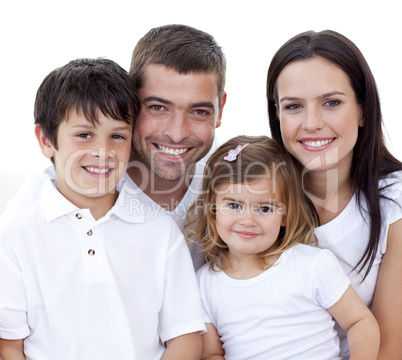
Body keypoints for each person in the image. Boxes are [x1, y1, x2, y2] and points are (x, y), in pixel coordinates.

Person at [0, 58, 205, 360]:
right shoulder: (17, 234)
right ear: (46, 140)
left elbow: (185, 338)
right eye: (84, 135)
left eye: (117, 136)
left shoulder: (161, 233)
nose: (103, 152)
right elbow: (9, 345)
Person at [1, 24, 226, 271]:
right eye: (157, 107)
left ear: (220, 108)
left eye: (199, 111)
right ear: (129, 102)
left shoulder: (233, 180)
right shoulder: (52, 195)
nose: (176, 133)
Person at [266, 30, 402, 359]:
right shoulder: (257, 197)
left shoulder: (394, 200)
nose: (312, 123)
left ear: (363, 111)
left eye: (331, 103)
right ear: (278, 115)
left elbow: (390, 346)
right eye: (294, 106)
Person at [188, 135, 379, 360]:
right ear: (212, 211)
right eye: (233, 205)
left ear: (285, 215)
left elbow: (360, 322)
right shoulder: (203, 284)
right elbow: (211, 353)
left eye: (265, 208)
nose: (247, 220)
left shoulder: (312, 264)